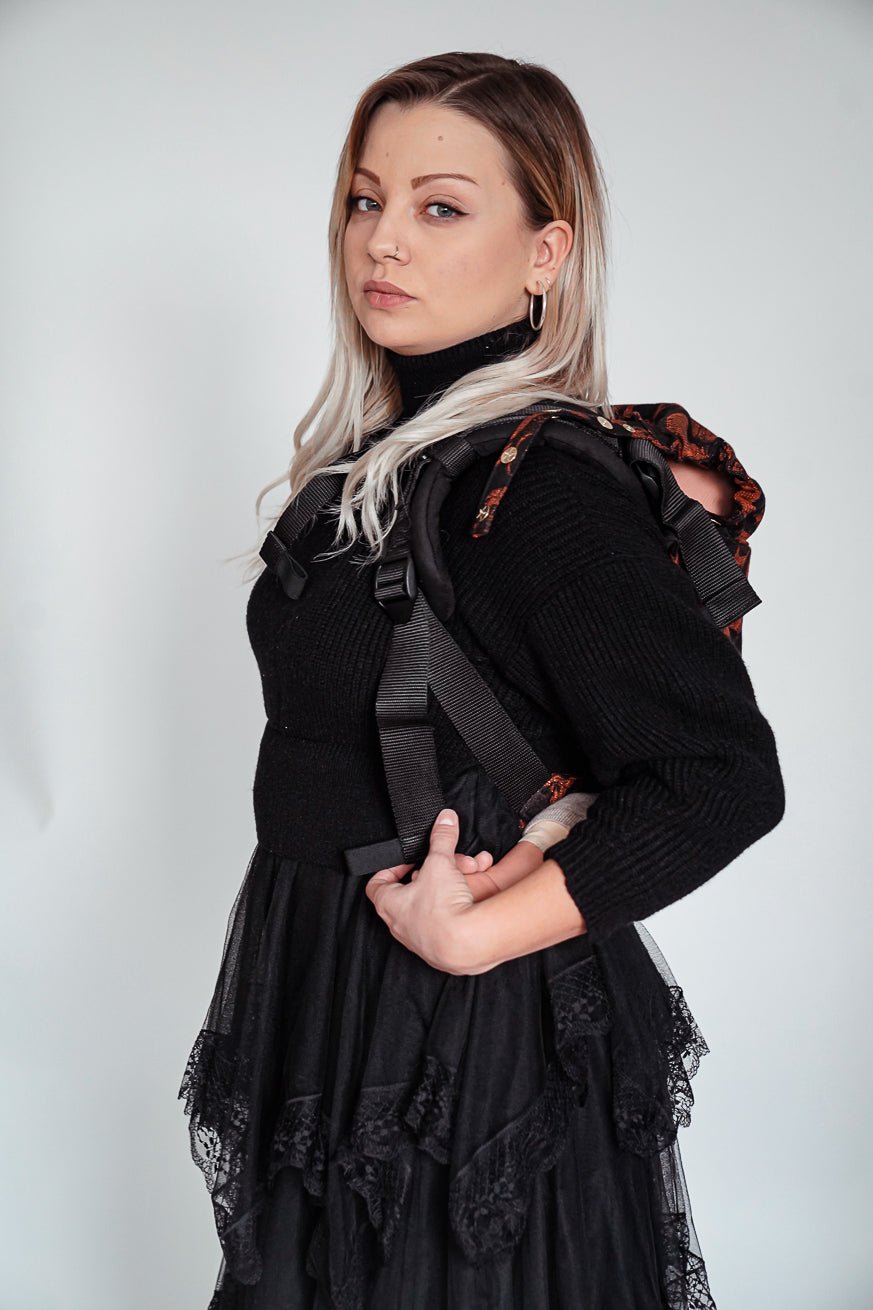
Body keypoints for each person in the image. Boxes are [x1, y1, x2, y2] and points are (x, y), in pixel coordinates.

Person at [178, 51, 785, 1310]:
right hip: (335, 998)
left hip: (463, 1040)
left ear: (545, 252)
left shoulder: (539, 485)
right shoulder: (387, 464)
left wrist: (479, 932)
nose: (384, 239)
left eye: (441, 206)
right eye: (365, 199)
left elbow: (720, 777)